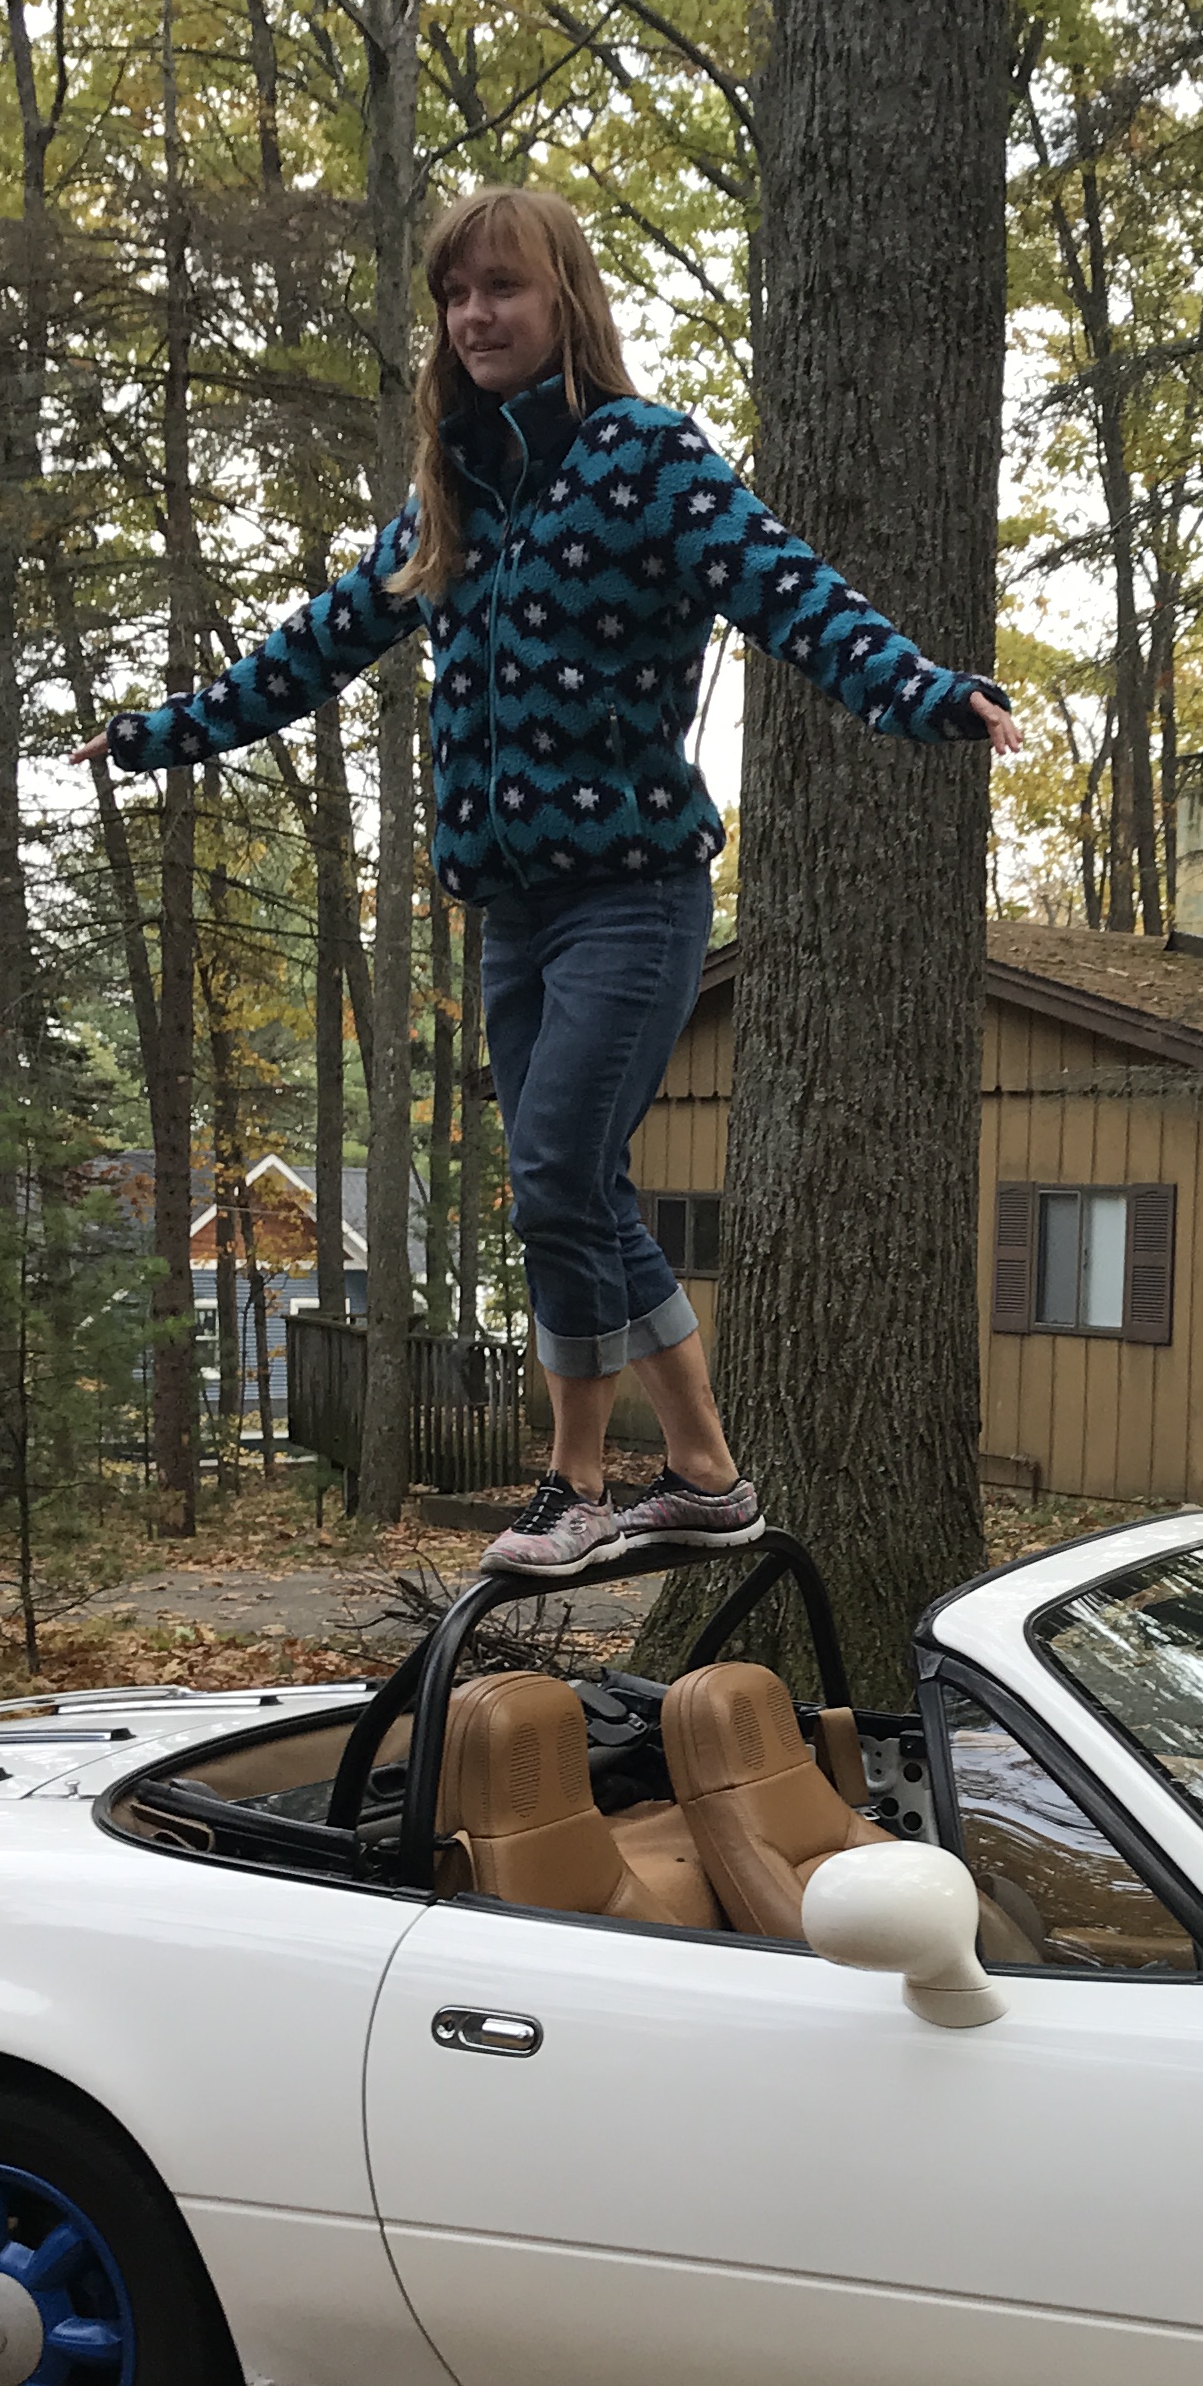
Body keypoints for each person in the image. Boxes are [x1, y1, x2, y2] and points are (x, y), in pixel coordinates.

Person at [76, 183, 1023, 1579]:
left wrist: (931, 693)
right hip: (509, 915)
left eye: (503, 290)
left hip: (631, 899)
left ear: (562, 301)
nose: (475, 318)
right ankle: (576, 1480)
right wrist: (166, 735)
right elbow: (316, 646)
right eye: (457, 297)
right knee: (559, 1195)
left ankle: (704, 1472)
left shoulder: (644, 461)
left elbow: (790, 590)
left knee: (561, 1168)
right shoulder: (449, 496)